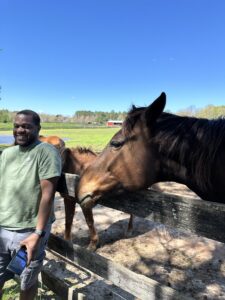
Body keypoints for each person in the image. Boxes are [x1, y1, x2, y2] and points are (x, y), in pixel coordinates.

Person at [0, 110, 62, 299]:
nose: (20, 130)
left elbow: (48, 195)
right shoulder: (7, 154)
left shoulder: (46, 151)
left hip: (28, 232)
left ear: (38, 129)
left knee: (27, 281)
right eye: (17, 126)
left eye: (27, 126)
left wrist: (38, 233)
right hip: (3, 228)